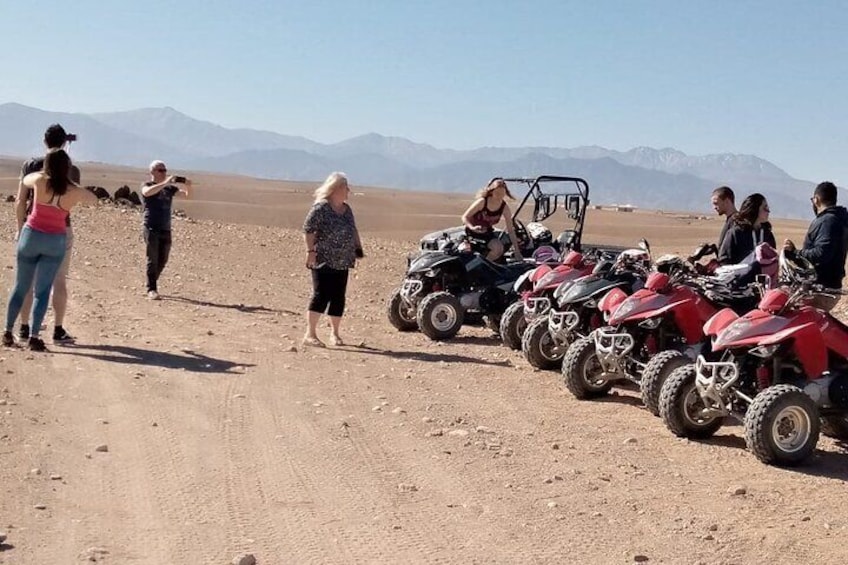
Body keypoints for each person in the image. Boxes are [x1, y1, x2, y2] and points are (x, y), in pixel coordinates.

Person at [3, 149, 97, 351]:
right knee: (43, 290)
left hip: (31, 235)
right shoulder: (73, 190)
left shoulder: (39, 181)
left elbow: (26, 179)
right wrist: (72, 184)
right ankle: (35, 337)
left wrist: (45, 173)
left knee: (21, 286)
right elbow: (93, 199)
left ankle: (8, 332)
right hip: (55, 241)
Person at [16, 124, 80, 343]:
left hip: (32, 226)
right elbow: (72, 199)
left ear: (44, 141)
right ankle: (58, 329)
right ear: (64, 142)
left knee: (28, 280)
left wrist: (19, 229)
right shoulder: (71, 169)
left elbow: (20, 200)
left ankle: (24, 327)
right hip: (60, 228)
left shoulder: (30, 166)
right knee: (59, 280)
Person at [302, 172, 363, 348]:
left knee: (338, 297)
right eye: (346, 187)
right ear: (336, 189)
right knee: (321, 294)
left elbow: (353, 229)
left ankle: (335, 334)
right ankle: (310, 334)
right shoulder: (321, 208)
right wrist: (310, 251)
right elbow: (308, 229)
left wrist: (358, 248)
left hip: (343, 260)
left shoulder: (346, 209)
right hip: (323, 259)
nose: (348, 190)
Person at [784, 181, 848, 310]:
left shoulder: (828, 221)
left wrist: (796, 253)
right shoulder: (839, 219)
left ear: (817, 200)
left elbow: (822, 253)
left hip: (820, 289)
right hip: (830, 286)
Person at [140, 160, 191, 300]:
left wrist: (188, 185)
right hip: (151, 226)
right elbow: (147, 193)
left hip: (165, 227)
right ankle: (151, 289)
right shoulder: (147, 185)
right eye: (160, 170)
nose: (164, 173)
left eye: (165, 170)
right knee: (152, 258)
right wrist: (165, 183)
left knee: (163, 259)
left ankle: (151, 282)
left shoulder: (169, 189)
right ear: (152, 172)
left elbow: (187, 196)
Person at [461, 178, 522, 261]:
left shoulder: (504, 207)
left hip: (486, 232)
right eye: (497, 192)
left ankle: (484, 264)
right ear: (492, 191)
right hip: (472, 232)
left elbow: (510, 230)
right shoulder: (482, 202)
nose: (499, 195)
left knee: (498, 248)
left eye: (502, 192)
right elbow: (465, 217)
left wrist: (517, 251)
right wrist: (472, 227)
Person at [718, 193, 776, 265]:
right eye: (765, 208)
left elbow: (773, 258)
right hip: (740, 275)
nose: (768, 211)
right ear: (755, 209)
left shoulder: (767, 234)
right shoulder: (736, 233)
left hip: (763, 275)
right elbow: (724, 259)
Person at [711, 185, 737, 250]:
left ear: (727, 201)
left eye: (716, 203)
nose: (714, 207)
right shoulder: (731, 220)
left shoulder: (736, 222)